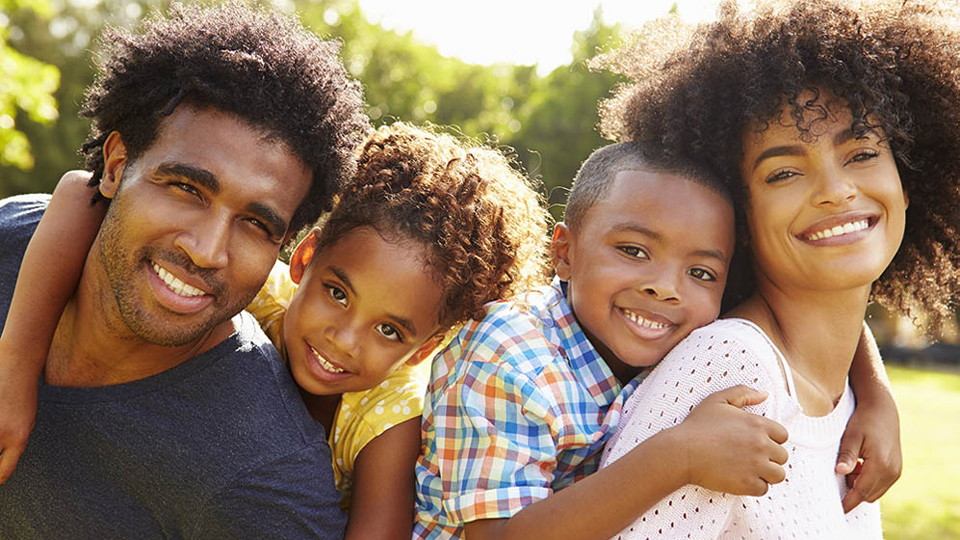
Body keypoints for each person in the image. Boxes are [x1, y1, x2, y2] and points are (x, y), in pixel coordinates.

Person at [0, 121, 551, 539]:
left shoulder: (389, 415)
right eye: (338, 294)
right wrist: (16, 368)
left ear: (422, 349)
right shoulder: (246, 285)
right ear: (303, 258)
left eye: (388, 330)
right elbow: (82, 191)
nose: (343, 337)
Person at [0, 2, 369, 538]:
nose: (207, 251)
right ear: (116, 166)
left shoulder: (264, 479)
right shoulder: (12, 238)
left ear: (284, 247)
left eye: (256, 224)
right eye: (187, 189)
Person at [594, 0, 958, 537]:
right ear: (739, 216)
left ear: (908, 184)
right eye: (784, 172)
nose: (835, 191)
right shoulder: (732, 369)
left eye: (860, 154)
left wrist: (876, 392)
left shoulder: (846, 390)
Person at [413, 141, 900, 540]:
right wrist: (677, 456)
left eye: (700, 272)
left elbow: (812, 306)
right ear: (563, 253)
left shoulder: (675, 335)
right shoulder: (513, 354)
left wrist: (875, 393)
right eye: (633, 250)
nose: (665, 287)